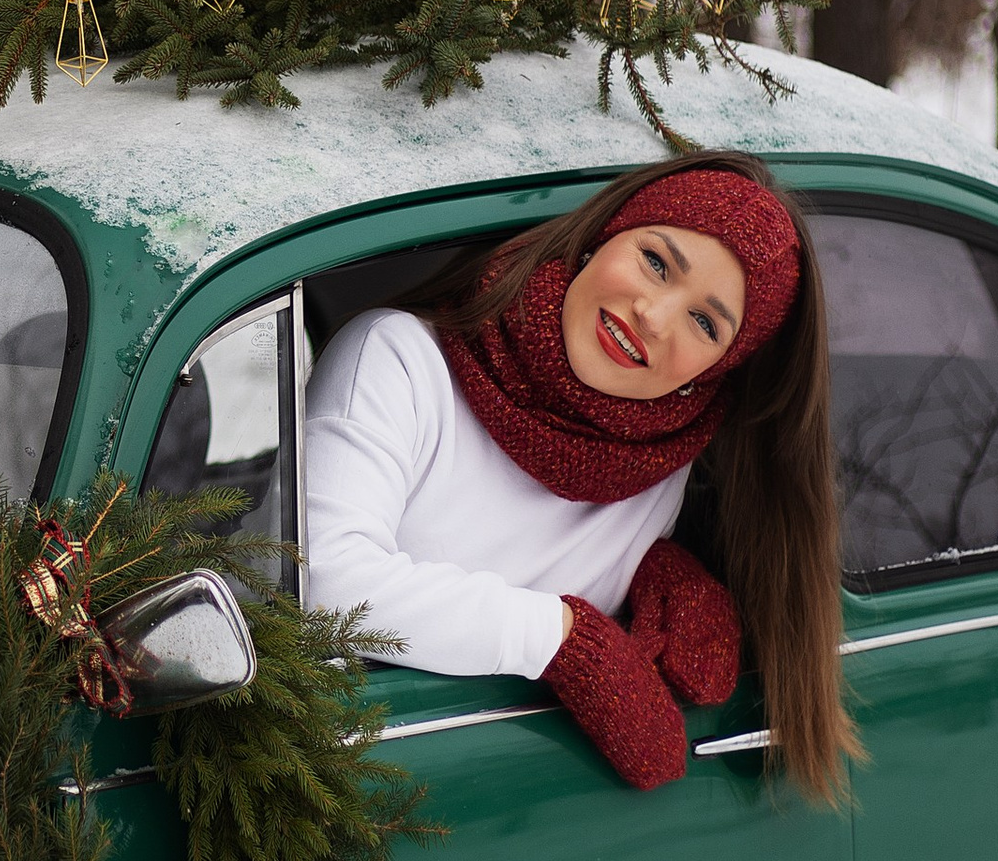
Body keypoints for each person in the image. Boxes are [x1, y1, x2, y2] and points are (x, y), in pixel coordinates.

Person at [302, 156, 853, 802]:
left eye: (705, 323)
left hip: (507, 814)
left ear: (717, 369)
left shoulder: (662, 467)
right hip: (328, 793)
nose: (654, 314)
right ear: (605, 234)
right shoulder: (399, 360)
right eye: (656, 261)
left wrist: (659, 571)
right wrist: (564, 638)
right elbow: (324, 585)